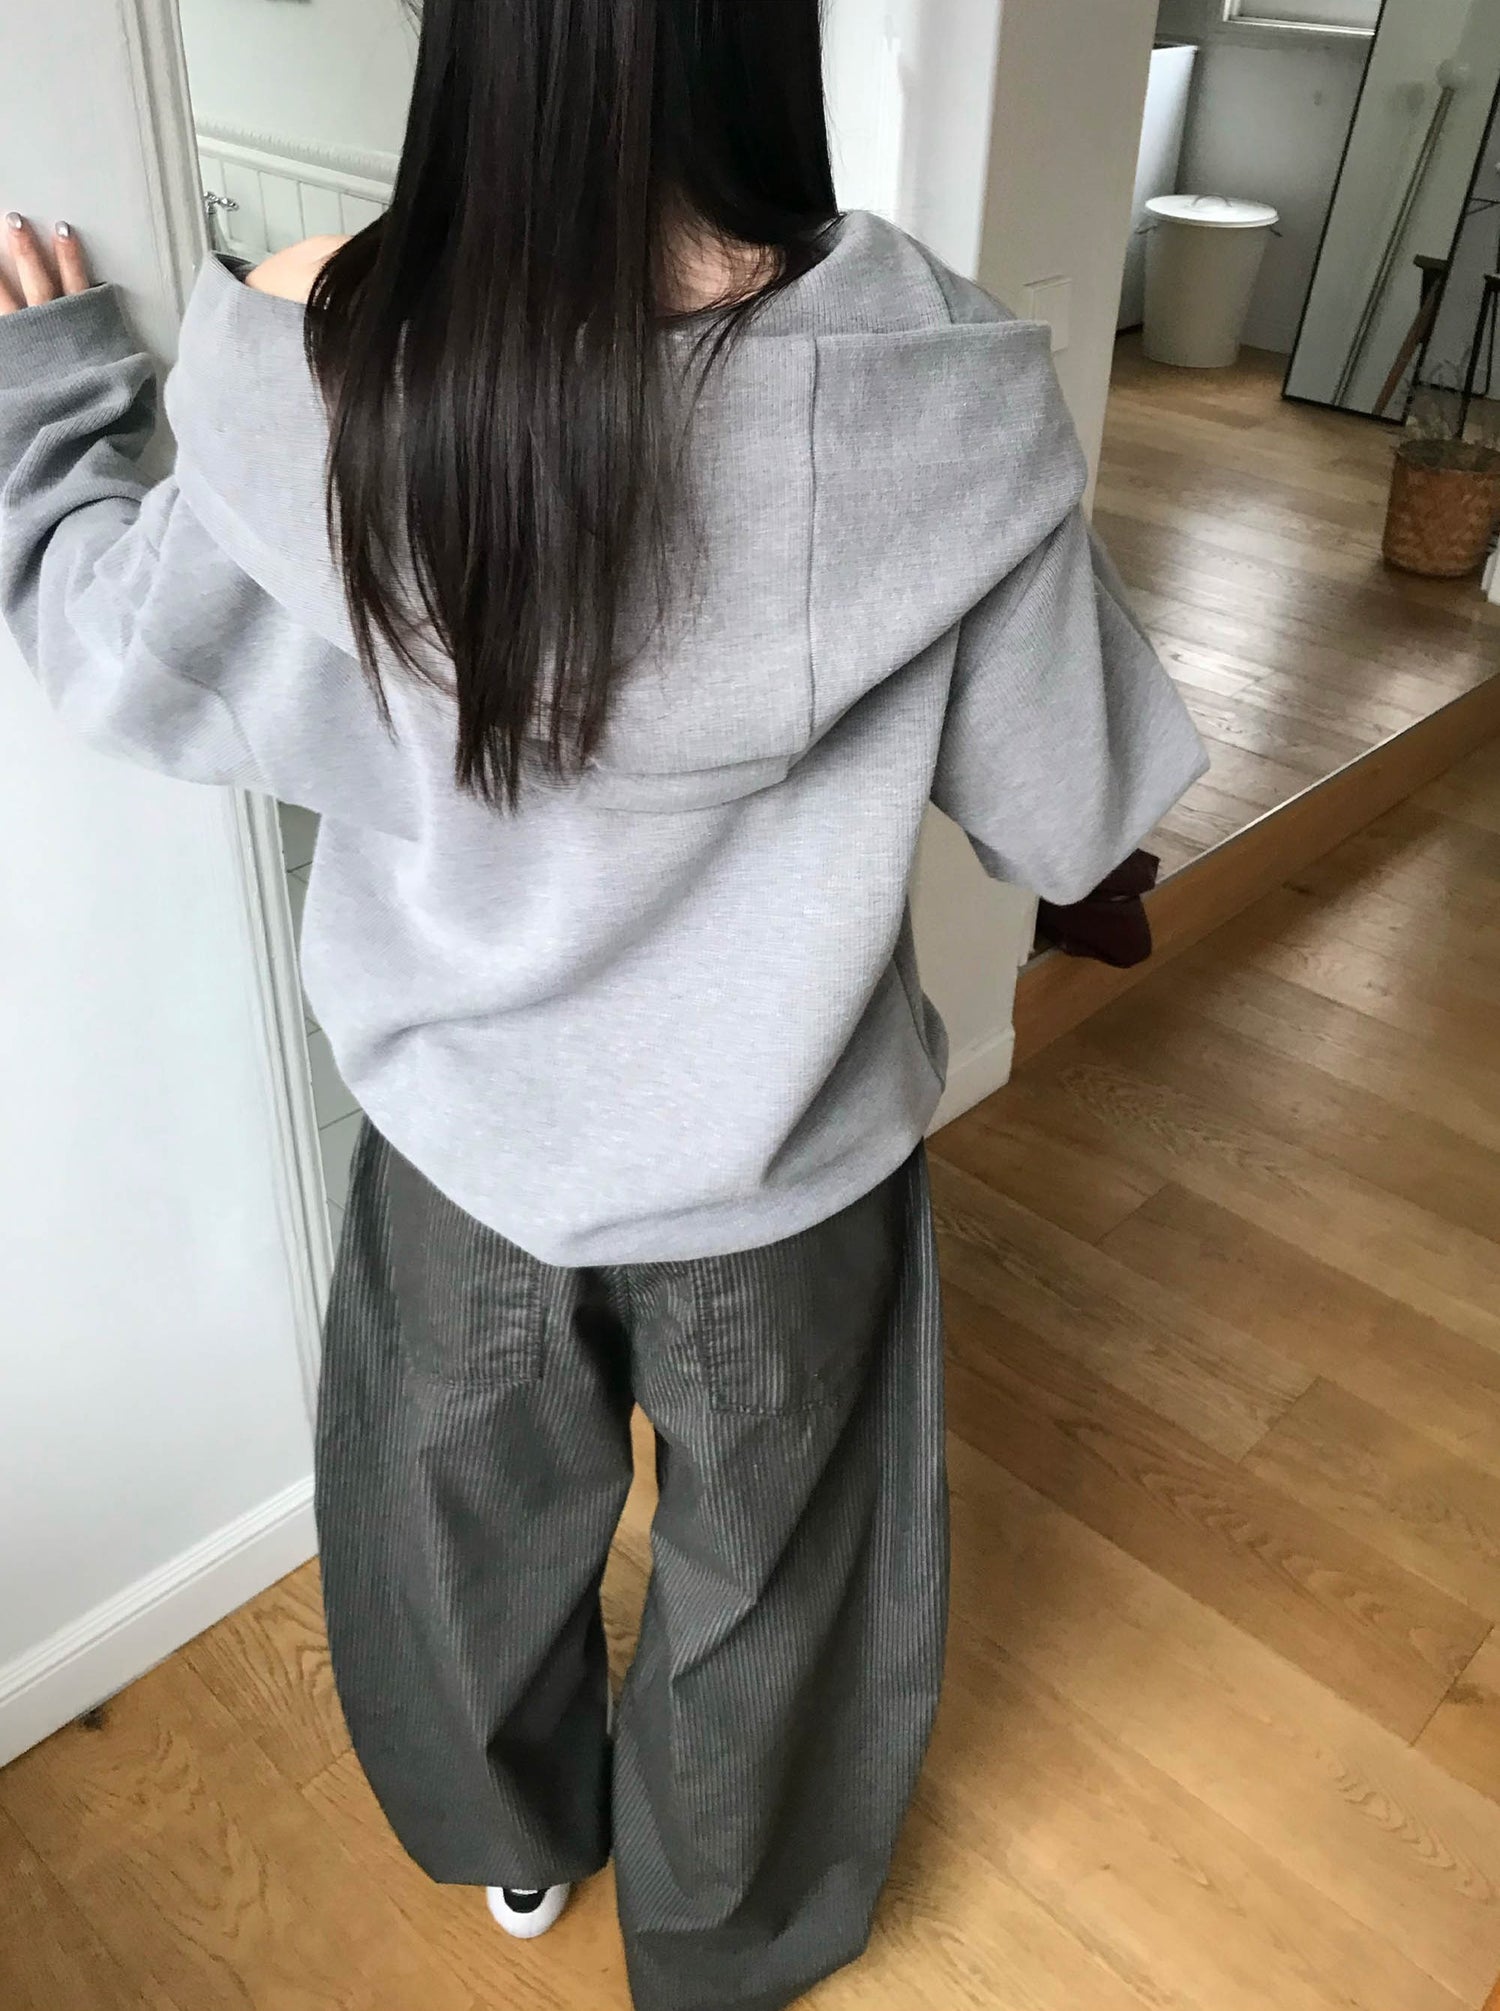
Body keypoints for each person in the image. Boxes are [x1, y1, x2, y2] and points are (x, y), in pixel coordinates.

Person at [0, 3, 1206, 2005]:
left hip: (462, 1152)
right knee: (781, 1587)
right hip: (790, 1167)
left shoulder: (326, 361)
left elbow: (121, 653)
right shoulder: (930, 378)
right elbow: (1073, 809)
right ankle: (724, 1944)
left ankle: (514, 1842)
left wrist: (52, 399)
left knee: (451, 1546)